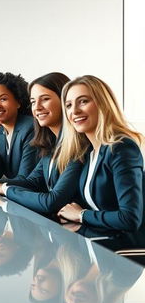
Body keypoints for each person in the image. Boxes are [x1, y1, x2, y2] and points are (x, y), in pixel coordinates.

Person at [0, 72, 83, 215]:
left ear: (65, 101)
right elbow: (32, 181)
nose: (37, 107)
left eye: (45, 99)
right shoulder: (50, 142)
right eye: (33, 102)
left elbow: (51, 201)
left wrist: (2, 188)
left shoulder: (77, 146)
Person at [55, 75, 144, 235]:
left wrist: (81, 215)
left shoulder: (121, 148)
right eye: (68, 105)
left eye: (83, 101)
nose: (74, 111)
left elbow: (130, 218)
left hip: (125, 251)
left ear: (103, 104)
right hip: (100, 241)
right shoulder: (89, 153)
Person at [0, 71, 37, 182]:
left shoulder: (30, 128)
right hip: (12, 195)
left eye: (3, 99)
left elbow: (26, 178)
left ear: (18, 102)